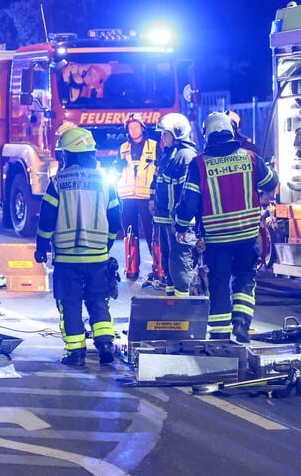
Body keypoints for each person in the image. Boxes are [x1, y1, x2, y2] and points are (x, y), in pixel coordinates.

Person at [174, 112, 278, 343]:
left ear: (206, 135)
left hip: (217, 239)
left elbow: (189, 201)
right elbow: (271, 182)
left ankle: (220, 335)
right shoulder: (250, 158)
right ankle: (241, 323)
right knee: (244, 277)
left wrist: (180, 226)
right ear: (230, 131)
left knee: (219, 282)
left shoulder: (199, 164)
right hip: (248, 235)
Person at [35, 127, 122, 366]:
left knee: (70, 302)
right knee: (98, 299)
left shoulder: (58, 182)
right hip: (97, 257)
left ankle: (76, 353)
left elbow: (47, 219)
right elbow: (115, 218)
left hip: (66, 258)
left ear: (70, 154)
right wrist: (107, 242)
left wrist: (41, 246)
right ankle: (105, 344)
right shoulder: (105, 182)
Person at [152, 113, 198, 298]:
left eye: (166, 134)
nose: (163, 138)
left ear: (178, 133)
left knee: (180, 262)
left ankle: (183, 304)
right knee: (169, 260)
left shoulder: (186, 156)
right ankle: (172, 301)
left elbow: (186, 194)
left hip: (178, 221)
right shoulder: (169, 154)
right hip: (165, 219)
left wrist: (181, 222)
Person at [116, 113, 157, 280]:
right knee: (129, 234)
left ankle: (158, 268)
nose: (133, 130)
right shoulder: (123, 148)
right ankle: (132, 269)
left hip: (147, 197)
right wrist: (117, 166)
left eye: (136, 127)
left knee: (151, 233)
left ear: (142, 128)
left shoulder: (154, 147)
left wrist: (155, 196)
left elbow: (158, 171)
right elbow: (117, 171)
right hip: (127, 197)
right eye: (130, 127)